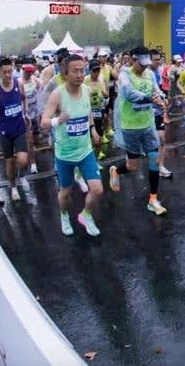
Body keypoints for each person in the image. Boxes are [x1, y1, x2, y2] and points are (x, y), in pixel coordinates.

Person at [41, 54, 104, 236]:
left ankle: (86, 215)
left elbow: (88, 111)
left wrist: (92, 128)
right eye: (75, 71)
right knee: (65, 193)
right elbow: (43, 122)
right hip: (65, 154)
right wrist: (56, 120)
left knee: (97, 190)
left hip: (85, 151)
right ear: (65, 73)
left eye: (82, 70)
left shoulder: (86, 90)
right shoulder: (57, 94)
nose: (79, 74)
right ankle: (64, 215)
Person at [109, 47, 168, 216]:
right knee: (133, 166)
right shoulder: (124, 74)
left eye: (146, 64)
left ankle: (153, 200)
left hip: (147, 124)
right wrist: (151, 98)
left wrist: (161, 98)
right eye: (141, 64)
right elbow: (129, 94)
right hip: (130, 127)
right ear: (132, 60)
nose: (144, 67)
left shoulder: (149, 74)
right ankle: (117, 171)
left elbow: (157, 91)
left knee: (155, 160)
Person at [0, 58, 31, 202]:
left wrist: (25, 112)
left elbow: (24, 98)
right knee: (9, 162)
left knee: (23, 160)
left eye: (10, 72)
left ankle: (22, 176)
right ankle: (13, 187)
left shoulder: (18, 83)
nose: (7, 75)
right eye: (4, 72)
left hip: (19, 127)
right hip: (5, 131)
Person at [149, 50, 172, 178]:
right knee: (150, 142)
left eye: (159, 59)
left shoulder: (158, 72)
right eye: (155, 59)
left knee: (162, 139)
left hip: (157, 111)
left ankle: (160, 166)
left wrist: (164, 98)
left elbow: (159, 88)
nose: (158, 62)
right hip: (145, 113)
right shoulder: (145, 74)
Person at [84, 60, 109, 160]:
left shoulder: (101, 79)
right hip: (88, 111)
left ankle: (99, 153)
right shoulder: (85, 80)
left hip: (99, 109)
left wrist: (105, 94)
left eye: (98, 70)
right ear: (90, 71)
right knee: (89, 134)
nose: (96, 73)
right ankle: (90, 155)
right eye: (94, 71)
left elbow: (107, 94)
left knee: (99, 131)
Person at [18, 62, 41, 173]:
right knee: (30, 140)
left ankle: (32, 155)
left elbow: (43, 90)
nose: (29, 73)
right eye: (27, 71)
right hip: (24, 114)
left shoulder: (35, 80)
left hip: (35, 113)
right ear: (23, 70)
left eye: (31, 71)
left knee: (36, 140)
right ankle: (33, 163)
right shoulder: (19, 82)